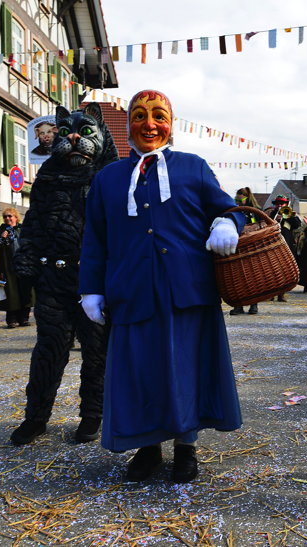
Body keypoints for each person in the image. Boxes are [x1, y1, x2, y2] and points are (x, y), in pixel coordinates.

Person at [79, 89, 244, 484]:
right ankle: (148, 447)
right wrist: (90, 288)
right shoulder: (107, 178)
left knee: (186, 370)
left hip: (187, 290)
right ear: (128, 125)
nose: (149, 124)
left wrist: (227, 223)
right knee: (141, 372)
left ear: (172, 122)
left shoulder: (194, 167)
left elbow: (229, 208)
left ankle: (186, 447)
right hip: (131, 291)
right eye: (139, 116)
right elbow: (95, 237)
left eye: (158, 115)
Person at [11, 103, 118, 446]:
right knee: (49, 348)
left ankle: (92, 416)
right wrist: (26, 265)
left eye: (85, 131)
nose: (73, 136)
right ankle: (36, 416)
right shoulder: (47, 179)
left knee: (96, 351)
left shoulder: (110, 179)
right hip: (54, 278)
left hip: (96, 282)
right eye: (65, 130)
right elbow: (34, 223)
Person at [0, 207, 33, 328]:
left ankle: (24, 318)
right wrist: (1, 238)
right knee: (10, 293)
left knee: (25, 292)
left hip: (24, 265)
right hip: (8, 266)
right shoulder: (0, 230)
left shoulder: (23, 229)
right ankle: (12, 319)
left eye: (10, 216)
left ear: (16, 217)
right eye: (5, 216)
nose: (7, 218)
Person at [228, 188, 260, 315]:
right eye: (236, 199)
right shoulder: (235, 210)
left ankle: (254, 305)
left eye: (240, 199)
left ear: (247, 198)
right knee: (237, 278)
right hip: (238, 246)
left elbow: (260, 224)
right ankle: (238, 306)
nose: (238, 202)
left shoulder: (255, 211)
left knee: (253, 277)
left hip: (252, 247)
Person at [264, 195, 301, 302]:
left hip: (286, 246)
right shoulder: (272, 213)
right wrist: (276, 218)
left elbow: (297, 225)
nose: (280, 205)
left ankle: (282, 294)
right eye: (278, 203)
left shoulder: (290, 214)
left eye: (282, 203)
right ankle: (272, 293)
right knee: (272, 270)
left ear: (286, 204)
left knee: (284, 271)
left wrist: (288, 216)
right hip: (273, 246)